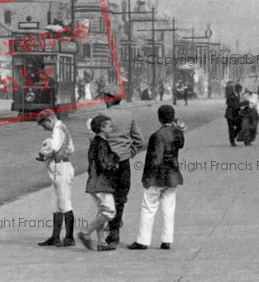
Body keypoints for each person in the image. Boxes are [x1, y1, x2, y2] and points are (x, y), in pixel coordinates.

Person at [89, 93, 144, 246]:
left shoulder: (102, 116)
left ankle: (97, 233)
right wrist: (129, 153)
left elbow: (93, 139)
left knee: (107, 198)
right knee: (120, 198)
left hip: (106, 164)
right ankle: (114, 233)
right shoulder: (129, 114)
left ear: (108, 99)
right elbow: (139, 140)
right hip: (123, 162)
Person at [128, 105, 185, 251]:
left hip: (157, 177)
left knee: (148, 208)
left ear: (159, 118)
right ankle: (167, 240)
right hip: (172, 176)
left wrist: (147, 178)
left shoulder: (157, 135)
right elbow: (181, 144)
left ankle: (143, 241)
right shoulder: (177, 133)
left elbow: (156, 158)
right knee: (169, 208)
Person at [78, 115, 120, 251]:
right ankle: (85, 232)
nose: (111, 128)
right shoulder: (101, 143)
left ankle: (102, 242)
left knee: (101, 211)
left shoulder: (97, 141)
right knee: (109, 212)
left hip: (95, 182)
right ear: (101, 128)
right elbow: (105, 163)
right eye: (109, 126)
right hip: (101, 182)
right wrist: (115, 159)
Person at [35, 109, 76, 247]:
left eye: (43, 124)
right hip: (58, 166)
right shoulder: (59, 129)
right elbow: (68, 148)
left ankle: (69, 238)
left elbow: (53, 147)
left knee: (64, 203)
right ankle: (55, 237)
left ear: (50, 119)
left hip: (62, 167)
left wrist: (42, 153)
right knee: (56, 204)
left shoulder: (58, 128)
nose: (43, 128)